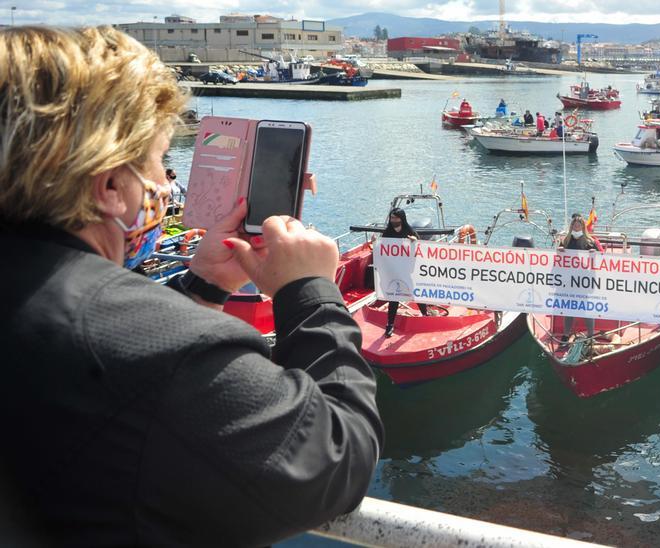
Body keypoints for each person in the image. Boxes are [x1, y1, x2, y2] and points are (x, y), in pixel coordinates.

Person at [0, 26, 381, 545]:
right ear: (111, 186)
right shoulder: (168, 352)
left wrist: (203, 284)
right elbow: (337, 459)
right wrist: (311, 292)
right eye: (157, 160)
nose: (163, 184)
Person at [381, 207, 433, 337]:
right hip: (393, 270)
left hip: (407, 269)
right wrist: (374, 243)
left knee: (415, 292)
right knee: (394, 297)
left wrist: (415, 241)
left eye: (396, 218)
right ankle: (390, 325)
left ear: (402, 219)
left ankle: (425, 314)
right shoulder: (387, 232)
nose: (394, 220)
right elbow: (380, 248)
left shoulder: (408, 230)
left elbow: (419, 244)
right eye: (392, 218)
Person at [557, 215, 601, 349]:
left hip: (584, 282)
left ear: (583, 226)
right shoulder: (565, 240)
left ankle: (590, 337)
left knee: (587, 309)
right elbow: (557, 258)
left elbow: (602, 258)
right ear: (572, 226)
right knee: (569, 310)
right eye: (575, 225)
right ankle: (565, 335)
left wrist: (595, 253)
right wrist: (559, 251)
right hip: (569, 281)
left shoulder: (590, 241)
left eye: (579, 225)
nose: (577, 227)